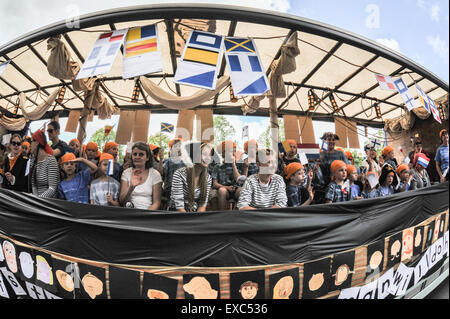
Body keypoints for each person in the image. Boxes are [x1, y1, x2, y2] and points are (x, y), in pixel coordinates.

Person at [170, 142, 213, 212]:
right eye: (205, 154)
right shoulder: (179, 174)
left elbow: (202, 205)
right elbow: (179, 208)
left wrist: (197, 220)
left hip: (194, 214)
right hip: (176, 214)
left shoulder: (208, 178)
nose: (208, 158)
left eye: (210, 155)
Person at [120, 142, 162, 210]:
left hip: (148, 215)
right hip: (128, 213)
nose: (137, 157)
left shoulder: (155, 174)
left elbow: (157, 203)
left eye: (141, 154)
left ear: (147, 158)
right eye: (135, 154)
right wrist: (131, 187)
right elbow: (122, 201)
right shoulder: (126, 173)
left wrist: (144, 216)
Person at [212, 140, 244, 210]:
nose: (234, 153)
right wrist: (227, 187)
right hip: (225, 189)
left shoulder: (239, 165)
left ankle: (239, 215)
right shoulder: (217, 167)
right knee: (221, 190)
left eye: (234, 151)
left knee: (242, 190)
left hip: (237, 189)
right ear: (224, 153)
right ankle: (222, 215)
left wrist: (233, 165)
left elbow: (240, 181)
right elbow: (215, 184)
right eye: (231, 151)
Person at [29, 130, 60, 198]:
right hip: (38, 202)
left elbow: (52, 189)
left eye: (31, 141)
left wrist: (39, 200)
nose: (30, 144)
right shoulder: (33, 161)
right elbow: (33, 185)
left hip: (49, 203)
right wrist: (36, 200)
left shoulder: (51, 160)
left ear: (37, 142)